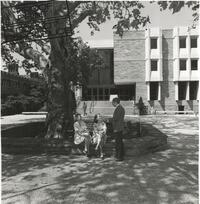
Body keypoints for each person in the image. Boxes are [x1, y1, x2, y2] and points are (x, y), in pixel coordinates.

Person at [112, 97, 125, 161]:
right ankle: (120, 156)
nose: (112, 104)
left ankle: (119, 157)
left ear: (115, 102)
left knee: (118, 143)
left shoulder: (119, 108)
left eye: (112, 103)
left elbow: (116, 118)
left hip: (118, 128)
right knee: (120, 142)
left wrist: (111, 120)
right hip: (119, 127)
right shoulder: (121, 108)